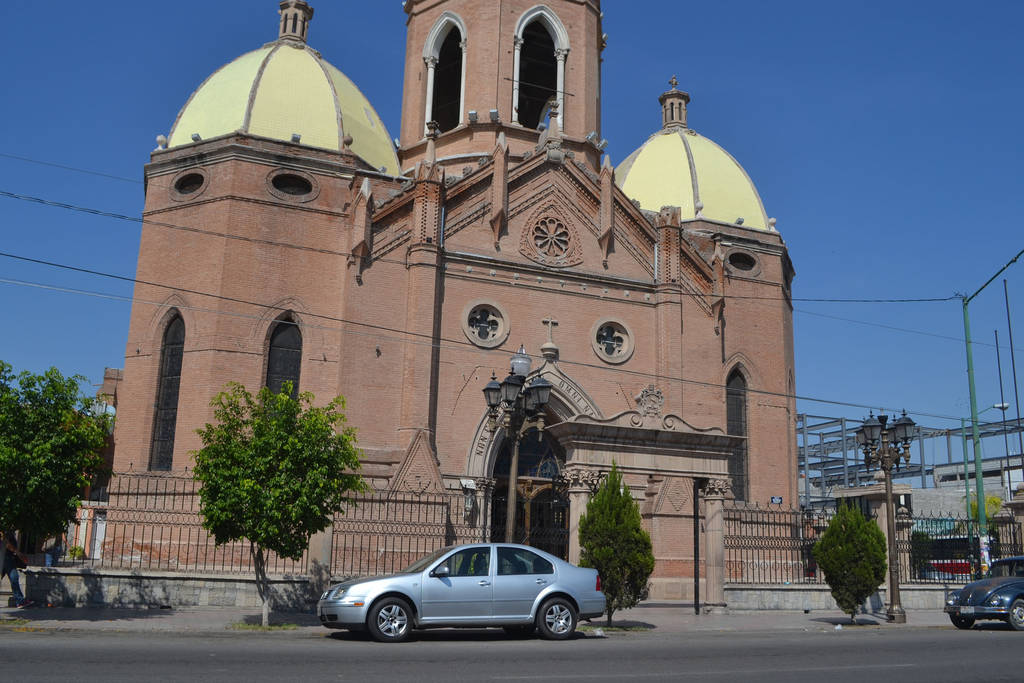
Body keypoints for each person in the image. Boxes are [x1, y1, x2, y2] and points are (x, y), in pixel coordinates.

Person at [2, 530, 33, 608]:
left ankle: (20, 600)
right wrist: (17, 552)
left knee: (14, 578)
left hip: (8, 558)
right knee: (14, 577)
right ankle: (20, 601)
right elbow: (5, 542)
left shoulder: (9, 531)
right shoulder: (4, 530)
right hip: (5, 558)